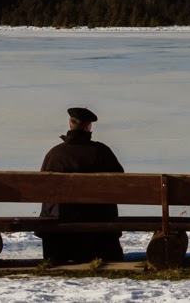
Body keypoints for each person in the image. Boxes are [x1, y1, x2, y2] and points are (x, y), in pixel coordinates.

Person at [37, 106, 125, 264]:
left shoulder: (54, 154)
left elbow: (42, 190)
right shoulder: (102, 152)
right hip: (99, 227)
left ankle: (59, 253)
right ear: (88, 127)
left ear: (70, 124)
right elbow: (120, 185)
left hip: (61, 227)